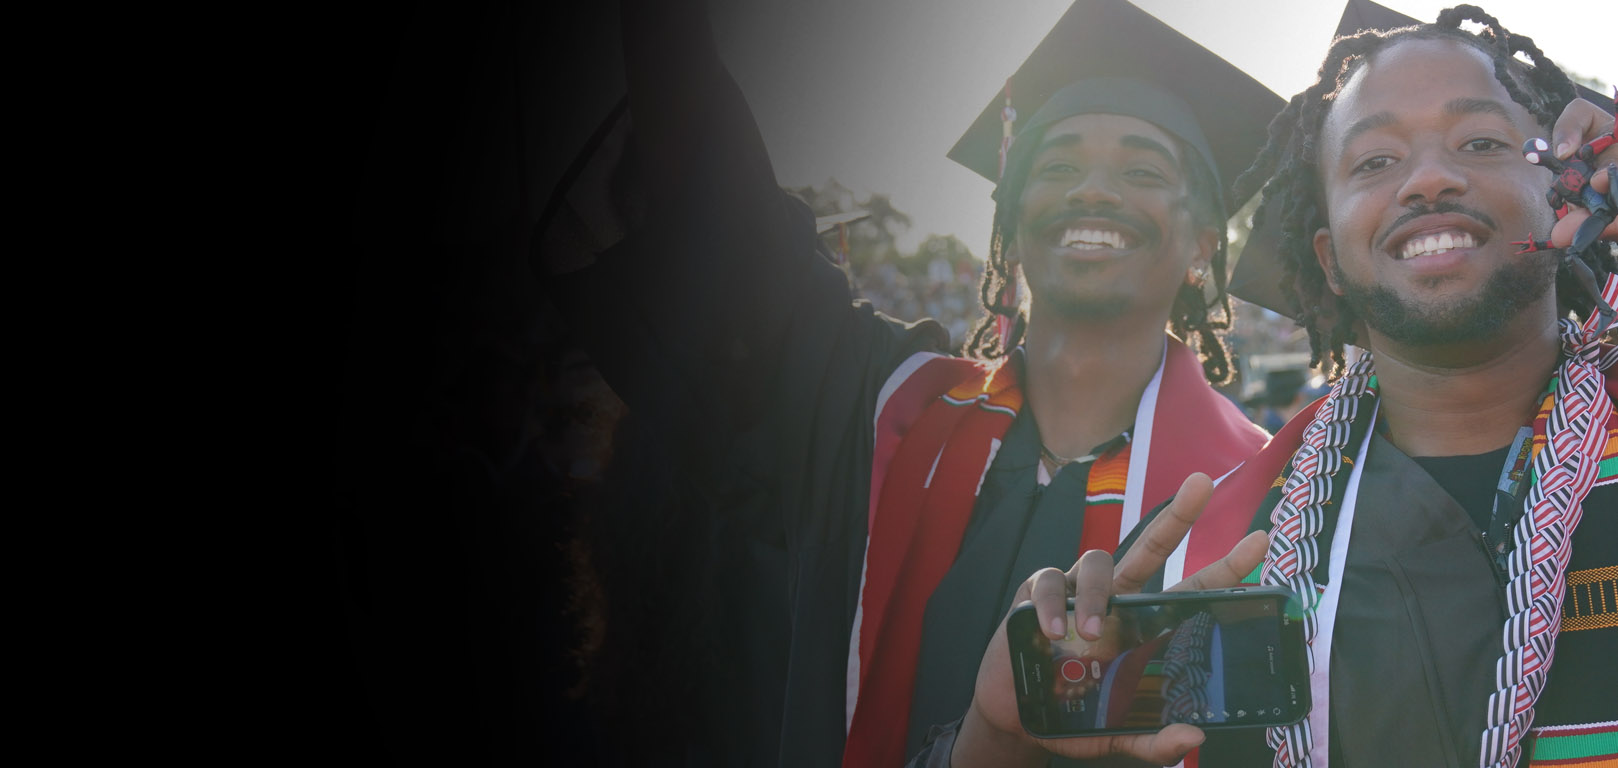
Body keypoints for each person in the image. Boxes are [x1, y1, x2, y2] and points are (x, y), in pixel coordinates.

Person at [532, 0, 1282, 764]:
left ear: (1202, 243)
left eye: (1143, 169)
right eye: (1055, 165)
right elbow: (731, 242)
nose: (1093, 190)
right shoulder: (880, 410)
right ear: (1011, 224)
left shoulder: (1261, 493)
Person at [941, 4, 1618, 767]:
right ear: (1328, 258)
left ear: (1565, 190)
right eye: (1374, 162)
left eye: (1483, 142)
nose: (1430, 177)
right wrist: (997, 738)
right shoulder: (1208, 556)